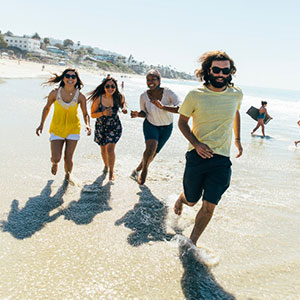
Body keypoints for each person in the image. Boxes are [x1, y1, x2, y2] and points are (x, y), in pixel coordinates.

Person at [173, 51, 243, 246]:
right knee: (192, 200)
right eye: (216, 70)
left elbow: (236, 113)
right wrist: (196, 144)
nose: (221, 74)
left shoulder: (236, 93)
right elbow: (182, 123)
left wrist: (237, 139)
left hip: (221, 159)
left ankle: (192, 243)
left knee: (209, 205)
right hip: (196, 156)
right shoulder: (195, 95)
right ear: (208, 71)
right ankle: (182, 198)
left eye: (225, 70)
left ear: (230, 72)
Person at [36, 68, 91, 182]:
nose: (70, 79)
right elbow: (46, 108)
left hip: (73, 129)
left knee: (68, 158)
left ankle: (67, 178)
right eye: (67, 76)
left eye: (73, 77)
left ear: (76, 80)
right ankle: (55, 164)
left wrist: (87, 125)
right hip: (57, 128)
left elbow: (85, 113)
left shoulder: (80, 96)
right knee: (56, 157)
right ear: (63, 78)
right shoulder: (55, 93)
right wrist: (41, 124)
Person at [130, 69, 180, 185]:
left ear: (159, 80)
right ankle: (145, 171)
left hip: (166, 128)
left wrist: (163, 107)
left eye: (153, 79)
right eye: (148, 80)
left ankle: (137, 170)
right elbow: (144, 113)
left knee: (152, 153)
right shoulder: (143, 96)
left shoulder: (168, 93)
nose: (150, 82)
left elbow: (180, 108)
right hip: (150, 125)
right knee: (150, 147)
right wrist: (137, 114)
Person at [88, 77, 127, 181]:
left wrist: (124, 109)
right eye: (108, 86)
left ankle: (111, 172)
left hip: (114, 126)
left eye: (113, 86)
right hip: (101, 127)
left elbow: (123, 105)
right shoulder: (99, 99)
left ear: (116, 87)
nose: (110, 88)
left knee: (110, 149)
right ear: (104, 87)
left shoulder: (119, 97)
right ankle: (106, 165)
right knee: (103, 149)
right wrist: (103, 113)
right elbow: (92, 114)